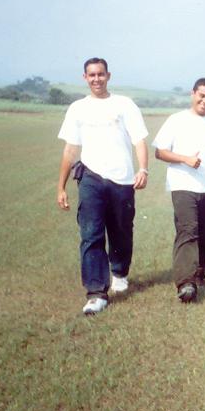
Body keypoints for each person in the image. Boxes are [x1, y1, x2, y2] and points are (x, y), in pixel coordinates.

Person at [56, 58, 150, 315]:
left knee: (121, 231)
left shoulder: (124, 104)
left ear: (108, 75)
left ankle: (119, 272)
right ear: (84, 78)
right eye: (91, 75)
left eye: (100, 74)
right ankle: (96, 293)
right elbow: (70, 149)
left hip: (122, 179)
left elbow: (139, 140)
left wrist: (143, 169)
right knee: (91, 233)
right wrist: (61, 186)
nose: (96, 79)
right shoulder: (77, 108)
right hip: (90, 178)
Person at [152, 78, 205, 303]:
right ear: (193, 93)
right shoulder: (176, 120)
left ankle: (199, 273)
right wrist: (184, 159)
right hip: (182, 184)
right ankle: (186, 283)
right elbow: (160, 152)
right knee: (188, 229)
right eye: (202, 96)